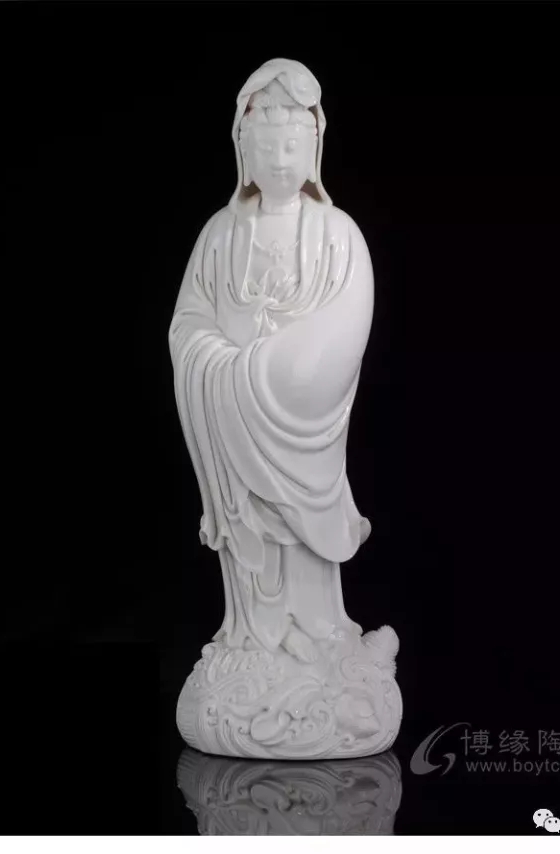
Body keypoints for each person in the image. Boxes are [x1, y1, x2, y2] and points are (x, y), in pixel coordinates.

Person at [168, 58, 374, 664]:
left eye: (292, 144)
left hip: (299, 424)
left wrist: (267, 374)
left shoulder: (338, 233)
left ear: (314, 149)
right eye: (266, 146)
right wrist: (222, 372)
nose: (280, 160)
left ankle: (319, 635)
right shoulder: (220, 233)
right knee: (252, 540)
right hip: (234, 430)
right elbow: (187, 324)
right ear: (243, 151)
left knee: (299, 540)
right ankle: (251, 640)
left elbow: (345, 331)